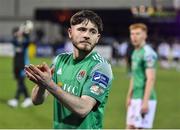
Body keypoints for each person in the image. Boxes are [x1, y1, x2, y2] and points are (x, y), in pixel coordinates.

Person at [25, 10, 113, 129]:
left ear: (97, 38)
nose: (87, 35)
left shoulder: (100, 67)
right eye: (82, 29)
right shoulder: (59, 60)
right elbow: (36, 100)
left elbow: (83, 109)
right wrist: (41, 84)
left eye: (92, 31)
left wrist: (50, 84)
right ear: (70, 33)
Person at [126, 23, 157, 129]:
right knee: (129, 127)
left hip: (144, 98)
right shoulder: (135, 52)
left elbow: (150, 78)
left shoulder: (148, 53)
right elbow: (134, 76)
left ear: (145, 35)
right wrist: (129, 95)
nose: (134, 36)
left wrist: (145, 102)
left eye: (138, 34)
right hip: (135, 97)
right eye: (132, 34)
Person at [7, 21, 34, 108]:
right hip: (17, 63)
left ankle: (16, 99)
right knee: (20, 82)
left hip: (24, 63)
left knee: (21, 82)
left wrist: (25, 31)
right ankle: (27, 98)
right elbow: (14, 40)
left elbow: (27, 40)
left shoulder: (25, 41)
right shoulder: (16, 41)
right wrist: (20, 32)